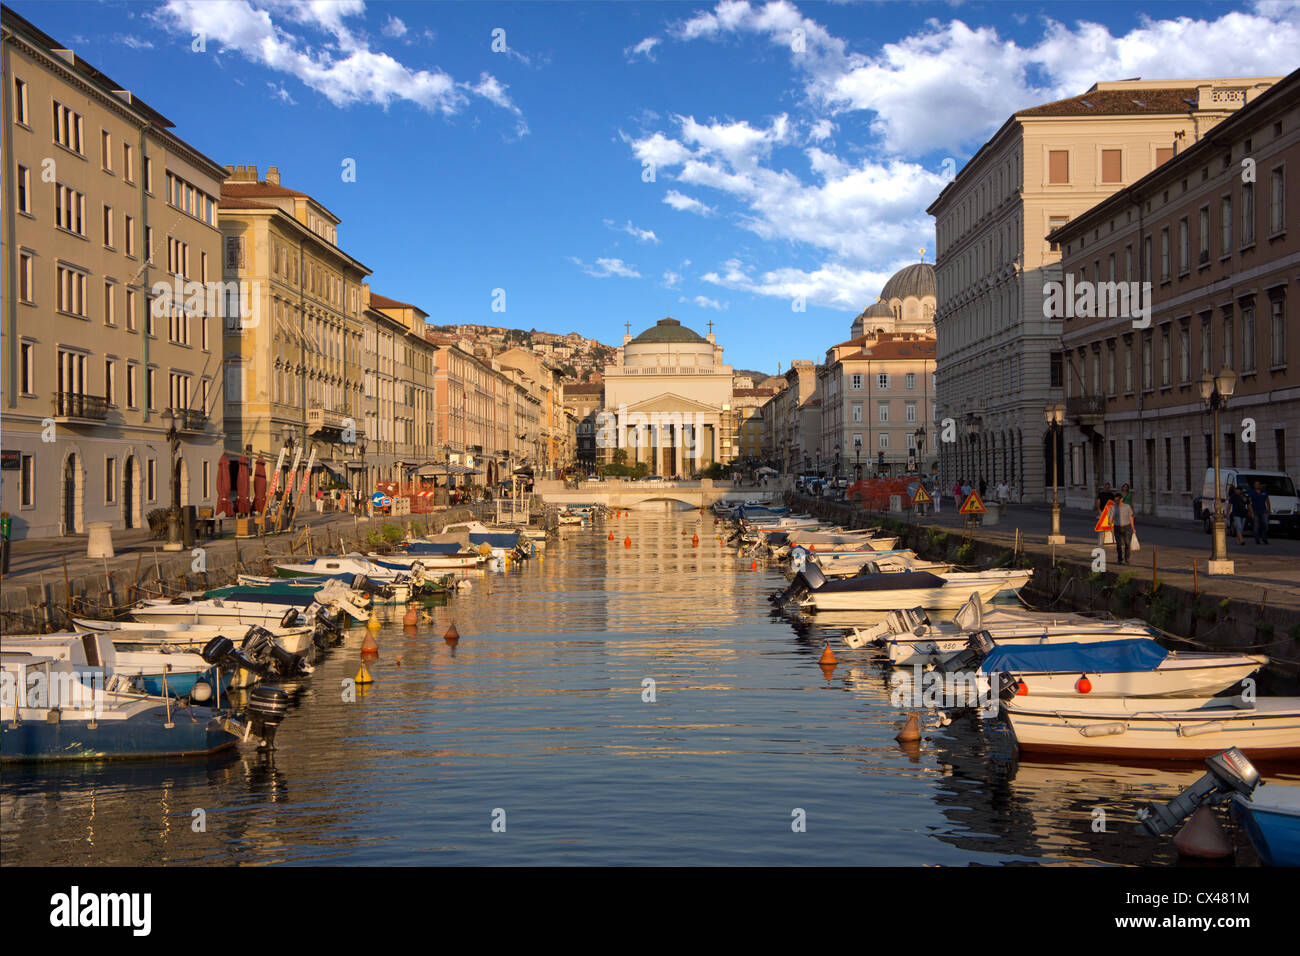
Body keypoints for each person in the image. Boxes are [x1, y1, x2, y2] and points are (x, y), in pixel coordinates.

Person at [1113, 493, 1135, 564]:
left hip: (1126, 527)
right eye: (1116, 500)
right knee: (1119, 544)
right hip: (1117, 527)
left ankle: (1127, 559)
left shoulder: (1127, 507)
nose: (1117, 501)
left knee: (1127, 543)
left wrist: (1133, 528)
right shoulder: (1113, 507)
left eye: (1118, 500)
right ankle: (1120, 559)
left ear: (1121, 499)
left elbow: (1130, 517)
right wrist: (1111, 527)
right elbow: (1110, 518)